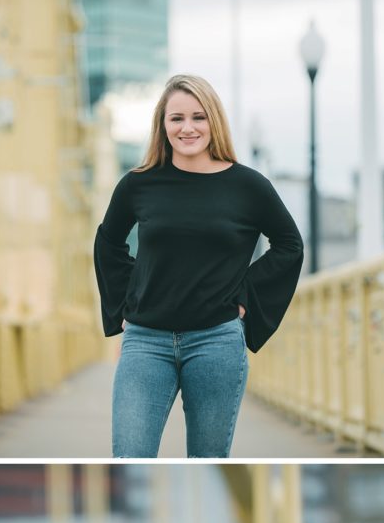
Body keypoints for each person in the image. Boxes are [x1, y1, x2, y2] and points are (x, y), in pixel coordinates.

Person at [94, 75, 304, 458]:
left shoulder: (248, 186)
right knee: (130, 456)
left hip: (216, 342)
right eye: (176, 119)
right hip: (145, 341)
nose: (187, 128)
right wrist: (124, 304)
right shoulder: (138, 185)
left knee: (207, 461)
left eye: (198, 117)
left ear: (214, 122)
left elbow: (289, 245)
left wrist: (246, 296)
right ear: (163, 125)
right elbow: (108, 241)